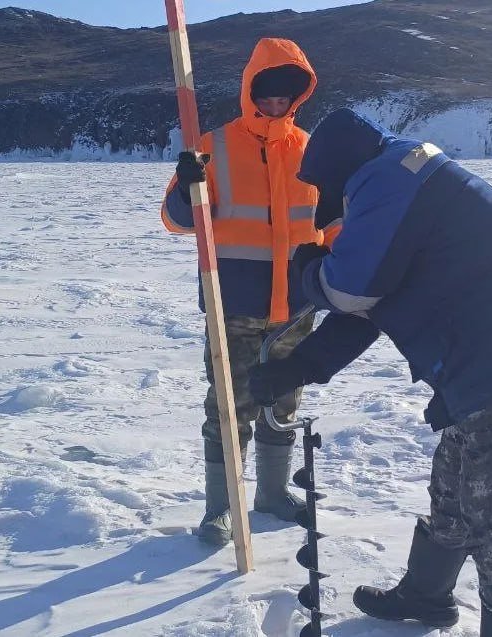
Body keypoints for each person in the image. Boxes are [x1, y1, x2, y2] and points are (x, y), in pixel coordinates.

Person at [248, 108, 492, 636]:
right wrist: (302, 365)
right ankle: (427, 596)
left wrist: (309, 274)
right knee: (454, 487)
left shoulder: (389, 182)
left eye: (324, 188)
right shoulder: (401, 178)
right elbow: (370, 303)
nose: (325, 205)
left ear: (341, 172)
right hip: (488, 368)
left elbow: (349, 290)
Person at [161, 38, 338, 547]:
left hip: (296, 307)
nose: (276, 104)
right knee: (229, 404)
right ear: (250, 92)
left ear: (299, 97)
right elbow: (176, 221)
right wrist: (186, 186)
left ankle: (272, 495)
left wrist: (339, 277)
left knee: (283, 400)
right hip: (233, 303)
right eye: (267, 95)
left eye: (286, 96)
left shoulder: (311, 150)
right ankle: (222, 506)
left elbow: (332, 226)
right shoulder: (212, 147)